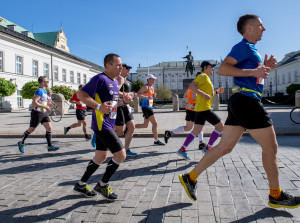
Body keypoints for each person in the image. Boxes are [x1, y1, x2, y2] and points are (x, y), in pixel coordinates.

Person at [179, 14, 300, 209]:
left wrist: (263, 68)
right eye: (261, 25)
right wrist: (255, 71)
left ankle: (190, 177)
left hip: (240, 100)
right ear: (250, 28)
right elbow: (223, 69)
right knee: (272, 147)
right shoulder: (243, 46)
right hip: (247, 101)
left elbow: (252, 77)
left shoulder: (252, 50)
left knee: (224, 147)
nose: (264, 28)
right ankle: (275, 195)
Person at [73, 53, 133, 200]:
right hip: (102, 124)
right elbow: (81, 94)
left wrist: (124, 101)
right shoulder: (100, 78)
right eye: (118, 65)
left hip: (108, 123)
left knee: (101, 156)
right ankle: (102, 184)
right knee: (121, 155)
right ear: (108, 65)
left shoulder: (113, 82)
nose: (121, 67)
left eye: (121, 65)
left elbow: (112, 104)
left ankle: (81, 184)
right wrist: (98, 106)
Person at [175, 61, 224, 160]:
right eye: (211, 67)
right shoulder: (203, 76)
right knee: (220, 127)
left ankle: (182, 149)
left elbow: (208, 95)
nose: (213, 69)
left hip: (199, 109)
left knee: (196, 130)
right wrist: (202, 94)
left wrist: (216, 92)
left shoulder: (207, 79)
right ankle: (207, 148)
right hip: (204, 109)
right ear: (205, 67)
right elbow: (191, 86)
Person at [17, 76, 59, 153]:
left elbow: (45, 101)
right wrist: (45, 106)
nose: (48, 82)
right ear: (42, 82)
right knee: (32, 129)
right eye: (47, 81)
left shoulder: (44, 91)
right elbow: (34, 103)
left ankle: (49, 146)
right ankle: (21, 142)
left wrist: (50, 105)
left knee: (49, 128)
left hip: (44, 113)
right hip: (37, 113)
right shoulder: (39, 91)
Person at [135, 74, 165, 146]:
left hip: (149, 107)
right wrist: (147, 97)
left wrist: (153, 96)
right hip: (146, 107)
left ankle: (130, 126)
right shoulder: (145, 87)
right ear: (149, 79)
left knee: (145, 125)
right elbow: (138, 94)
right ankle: (156, 140)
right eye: (153, 79)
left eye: (154, 79)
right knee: (155, 123)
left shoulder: (152, 87)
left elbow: (150, 97)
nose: (154, 80)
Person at [115, 64, 137, 156]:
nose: (129, 70)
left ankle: (126, 149)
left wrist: (131, 94)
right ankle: (101, 136)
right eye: (127, 68)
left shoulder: (126, 80)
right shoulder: (120, 78)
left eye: (129, 68)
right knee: (120, 131)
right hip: (118, 105)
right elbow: (114, 91)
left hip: (124, 106)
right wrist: (126, 94)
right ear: (121, 69)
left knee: (131, 127)